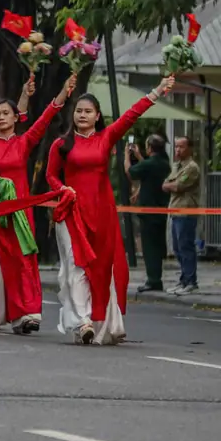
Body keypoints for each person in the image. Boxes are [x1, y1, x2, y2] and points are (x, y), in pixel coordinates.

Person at [46, 76, 175, 345]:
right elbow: (51, 176)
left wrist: (157, 91)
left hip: (101, 212)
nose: (82, 115)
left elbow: (131, 115)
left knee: (101, 267)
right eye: (78, 111)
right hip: (71, 212)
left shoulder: (106, 137)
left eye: (88, 111)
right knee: (76, 264)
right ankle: (83, 321)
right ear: (73, 114)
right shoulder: (61, 145)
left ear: (97, 116)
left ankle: (100, 321)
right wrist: (63, 189)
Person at [0, 75, 75, 334]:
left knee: (26, 258)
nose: (1, 117)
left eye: (6, 113)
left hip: (22, 211)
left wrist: (63, 93)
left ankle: (31, 312)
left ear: (16, 118)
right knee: (8, 262)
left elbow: (45, 119)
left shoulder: (24, 142)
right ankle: (16, 315)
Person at [125, 133, 171, 293]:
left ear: (150, 148)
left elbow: (130, 172)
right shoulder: (164, 163)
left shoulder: (150, 164)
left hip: (149, 211)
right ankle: (155, 277)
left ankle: (153, 280)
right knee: (157, 246)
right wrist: (139, 156)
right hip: (161, 209)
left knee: (150, 248)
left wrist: (127, 156)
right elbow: (147, 171)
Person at [162, 135, 203, 295]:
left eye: (181, 147)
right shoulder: (176, 166)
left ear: (190, 149)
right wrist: (169, 185)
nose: (178, 150)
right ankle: (184, 279)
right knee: (177, 248)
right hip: (175, 210)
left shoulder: (192, 168)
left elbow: (178, 186)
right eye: (176, 146)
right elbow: (166, 184)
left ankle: (191, 281)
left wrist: (170, 185)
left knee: (186, 247)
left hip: (186, 211)